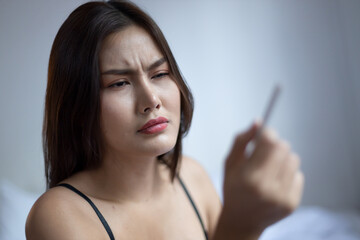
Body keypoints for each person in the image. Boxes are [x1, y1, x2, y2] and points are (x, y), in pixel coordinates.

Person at [25, 1, 304, 239]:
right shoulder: (57, 215)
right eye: (120, 83)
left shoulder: (192, 177)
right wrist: (242, 227)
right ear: (78, 104)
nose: (151, 100)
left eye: (159, 74)